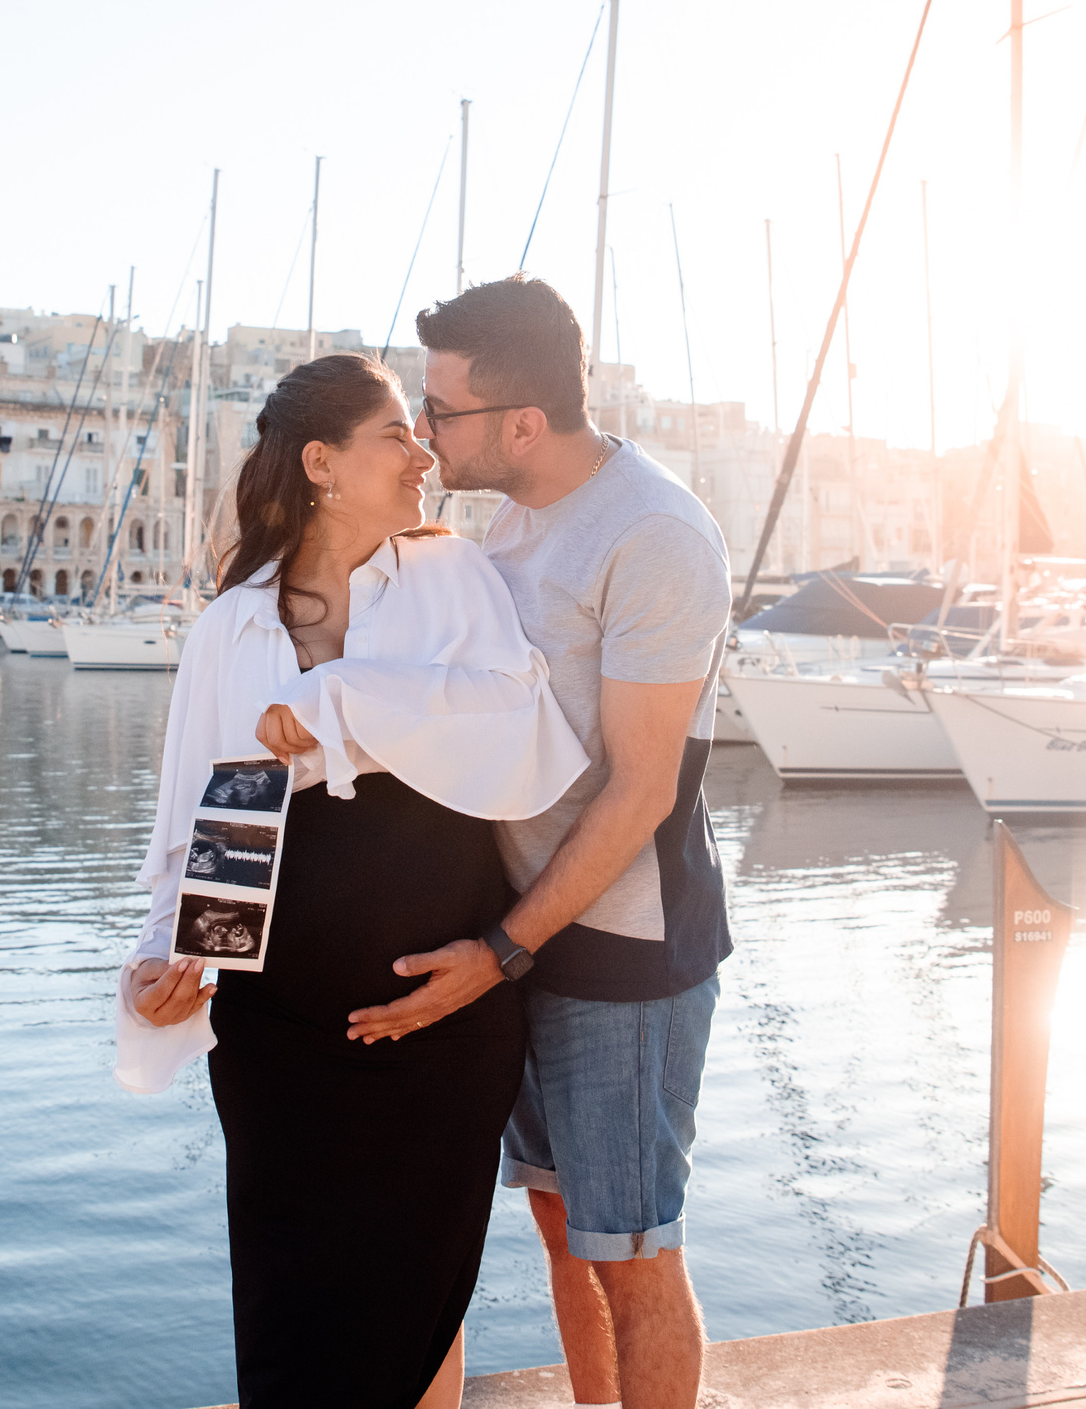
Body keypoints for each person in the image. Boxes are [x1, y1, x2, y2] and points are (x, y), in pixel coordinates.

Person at [114, 351, 587, 1409]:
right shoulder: (229, 625)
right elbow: (195, 820)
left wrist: (341, 698)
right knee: (290, 1314)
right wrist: (161, 956)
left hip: (440, 1022)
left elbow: (519, 726)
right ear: (321, 462)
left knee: (419, 1305)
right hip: (275, 1039)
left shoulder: (452, 576)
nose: (421, 452)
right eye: (393, 437)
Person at [357, 275, 734, 1409]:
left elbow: (639, 791)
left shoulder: (655, 535)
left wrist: (503, 952)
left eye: (443, 412)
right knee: (565, 1231)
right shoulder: (513, 512)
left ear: (523, 422)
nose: (426, 435)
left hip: (620, 950)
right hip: (520, 932)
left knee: (635, 1254)